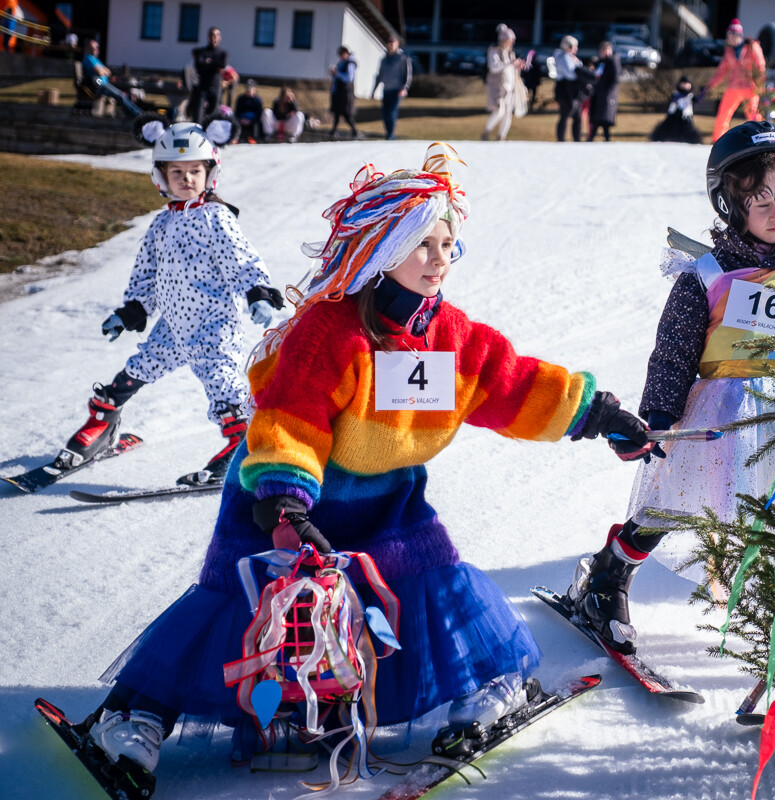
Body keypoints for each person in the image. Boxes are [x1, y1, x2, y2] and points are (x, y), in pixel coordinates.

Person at [63, 144, 653, 785]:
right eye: (422, 244)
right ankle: (136, 715)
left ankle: (488, 688)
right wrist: (284, 500)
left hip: (388, 498)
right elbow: (291, 417)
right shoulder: (332, 331)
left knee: (435, 581)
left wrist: (596, 415)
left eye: (448, 244)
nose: (439, 259)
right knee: (241, 604)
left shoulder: (450, 334)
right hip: (289, 495)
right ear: (381, 246)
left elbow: (510, 384)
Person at [565, 122, 775, 654]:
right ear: (731, 204)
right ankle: (609, 577)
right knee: (676, 501)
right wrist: (657, 417)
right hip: (723, 408)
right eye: (760, 198)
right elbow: (674, 352)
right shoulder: (709, 271)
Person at [55, 120, 283, 487]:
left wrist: (257, 292)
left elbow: (241, 258)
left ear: (210, 173)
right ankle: (102, 423)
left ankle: (244, 446)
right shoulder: (160, 225)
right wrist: (131, 311)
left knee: (223, 384)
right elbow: (145, 275)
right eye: (177, 172)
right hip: (173, 327)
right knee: (135, 370)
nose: (186, 179)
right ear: (160, 177)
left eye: (195, 171)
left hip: (213, 324)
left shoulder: (217, 218)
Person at [704, 20, 766, 143]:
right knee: (723, 115)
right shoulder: (729, 51)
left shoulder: (752, 47)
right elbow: (722, 71)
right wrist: (710, 85)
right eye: (729, 36)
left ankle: (761, 138)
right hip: (733, 87)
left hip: (750, 87)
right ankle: (718, 141)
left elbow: (760, 66)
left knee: (753, 115)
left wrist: (760, 84)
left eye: (733, 36)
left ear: (739, 36)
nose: (730, 39)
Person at [79, 38, 143, 118]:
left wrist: (102, 70)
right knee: (120, 95)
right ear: (88, 48)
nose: (96, 49)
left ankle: (135, 114)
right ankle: (138, 114)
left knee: (124, 94)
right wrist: (102, 71)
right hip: (98, 84)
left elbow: (108, 72)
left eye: (97, 48)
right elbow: (99, 72)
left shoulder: (96, 60)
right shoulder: (88, 58)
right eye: (93, 48)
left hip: (105, 83)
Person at [481, 24, 525, 141]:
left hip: (510, 86)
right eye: (509, 40)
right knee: (499, 111)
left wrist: (518, 66)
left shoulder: (510, 52)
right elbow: (494, 67)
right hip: (497, 85)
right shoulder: (494, 50)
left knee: (508, 113)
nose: (511, 43)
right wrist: (510, 63)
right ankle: (486, 132)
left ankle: (501, 136)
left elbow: (511, 68)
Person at [374, 36, 412, 141]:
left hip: (397, 90)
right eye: (388, 42)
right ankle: (388, 133)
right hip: (386, 89)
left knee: (391, 112)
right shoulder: (384, 59)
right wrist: (373, 90)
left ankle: (390, 134)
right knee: (385, 113)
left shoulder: (402, 58)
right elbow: (379, 75)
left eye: (392, 42)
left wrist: (405, 88)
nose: (390, 44)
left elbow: (408, 74)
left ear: (397, 44)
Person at [187, 27, 226, 122]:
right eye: (211, 35)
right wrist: (212, 64)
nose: (214, 37)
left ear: (219, 37)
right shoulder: (201, 51)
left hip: (215, 86)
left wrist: (208, 62)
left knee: (213, 112)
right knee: (198, 112)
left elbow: (222, 65)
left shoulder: (222, 53)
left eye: (216, 35)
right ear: (208, 37)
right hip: (202, 85)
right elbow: (198, 65)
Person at [552, 35, 586, 142]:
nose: (576, 49)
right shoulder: (563, 57)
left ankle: (577, 139)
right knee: (565, 115)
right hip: (565, 90)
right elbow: (571, 74)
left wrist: (577, 63)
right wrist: (578, 65)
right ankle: (561, 140)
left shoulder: (569, 57)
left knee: (577, 116)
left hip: (573, 90)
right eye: (575, 46)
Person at [650, 75, 702, 144]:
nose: (685, 86)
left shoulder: (690, 95)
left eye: (686, 84)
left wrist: (703, 92)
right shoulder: (676, 93)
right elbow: (675, 99)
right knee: (667, 127)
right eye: (683, 84)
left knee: (688, 129)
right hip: (674, 115)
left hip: (686, 116)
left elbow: (698, 100)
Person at [588, 40, 621, 142]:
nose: (605, 52)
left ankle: (592, 139)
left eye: (607, 50)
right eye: (603, 50)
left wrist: (608, 91)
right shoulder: (601, 62)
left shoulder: (613, 60)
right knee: (600, 119)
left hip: (607, 95)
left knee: (602, 119)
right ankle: (604, 139)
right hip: (598, 95)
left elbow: (616, 78)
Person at [329, 45, 361, 138]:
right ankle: (333, 130)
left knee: (346, 113)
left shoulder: (350, 64)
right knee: (337, 113)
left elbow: (349, 78)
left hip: (345, 93)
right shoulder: (341, 63)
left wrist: (337, 74)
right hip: (339, 93)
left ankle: (355, 131)